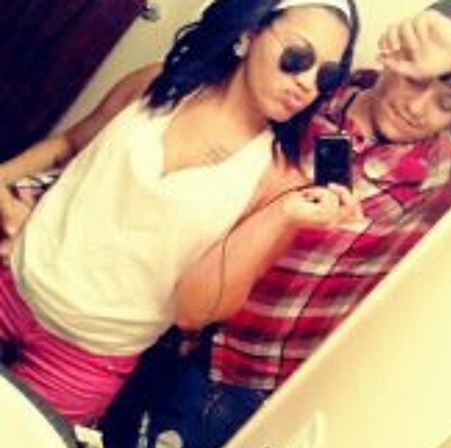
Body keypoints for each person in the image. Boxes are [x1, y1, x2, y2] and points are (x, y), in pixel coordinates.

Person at [100, 0, 451, 448]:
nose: (418, 109)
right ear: (398, 52)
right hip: (153, 315)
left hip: (246, 380)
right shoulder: (307, 90)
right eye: (417, 80)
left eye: (448, 101)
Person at [0, 0, 361, 425]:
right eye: (297, 57)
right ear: (248, 35)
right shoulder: (156, 85)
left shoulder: (278, 180)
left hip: (86, 358)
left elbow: (194, 311)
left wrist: (281, 215)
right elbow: (69, 144)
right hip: (11, 283)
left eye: (325, 76)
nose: (306, 83)